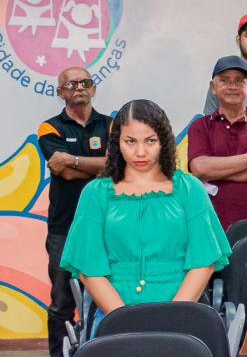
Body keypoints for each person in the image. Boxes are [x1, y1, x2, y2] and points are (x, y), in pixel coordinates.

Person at [61, 100, 231, 333]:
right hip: (114, 316)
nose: (140, 152)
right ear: (117, 143)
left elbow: (204, 262)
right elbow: (90, 271)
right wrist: (126, 322)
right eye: (130, 141)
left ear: (164, 141)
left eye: (150, 141)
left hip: (182, 314)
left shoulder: (189, 188)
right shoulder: (95, 193)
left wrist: (172, 318)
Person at [37, 66, 110, 357]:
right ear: (60, 92)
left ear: (93, 89)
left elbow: (115, 167)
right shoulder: (49, 127)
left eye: (85, 82)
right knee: (62, 301)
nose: (79, 87)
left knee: (105, 294)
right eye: (71, 84)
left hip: (107, 225)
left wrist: (74, 160)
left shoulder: (111, 125)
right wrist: (97, 166)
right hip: (64, 228)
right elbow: (62, 172)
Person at [187, 55, 247, 230]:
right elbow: (199, 168)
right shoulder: (200, 126)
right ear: (213, 87)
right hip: (212, 225)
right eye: (224, 80)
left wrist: (214, 172)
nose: (232, 86)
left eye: (239, 81)